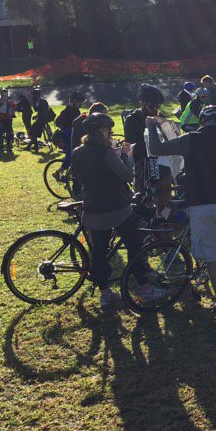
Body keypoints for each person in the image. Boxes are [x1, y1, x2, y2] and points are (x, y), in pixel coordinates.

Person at [146, 105, 216, 313]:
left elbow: (157, 149)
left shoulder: (192, 139)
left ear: (202, 121)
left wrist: (151, 127)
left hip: (200, 205)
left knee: (212, 256)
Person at [69, 113, 164, 310]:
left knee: (99, 252)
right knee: (134, 245)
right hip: (116, 206)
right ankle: (145, 288)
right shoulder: (106, 152)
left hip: (92, 207)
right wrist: (124, 155)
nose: (110, 132)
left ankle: (105, 293)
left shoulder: (77, 152)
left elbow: (76, 176)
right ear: (101, 131)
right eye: (108, 129)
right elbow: (128, 176)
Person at [123, 83, 172, 211]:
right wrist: (151, 138)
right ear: (142, 103)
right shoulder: (132, 119)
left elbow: (171, 137)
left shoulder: (160, 117)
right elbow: (132, 146)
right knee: (142, 199)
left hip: (161, 162)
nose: (155, 109)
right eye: (152, 106)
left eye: (158, 106)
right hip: (143, 163)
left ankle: (162, 218)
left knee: (165, 196)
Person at [56, 92, 84, 164]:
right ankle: (62, 169)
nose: (81, 105)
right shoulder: (65, 112)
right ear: (74, 101)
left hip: (75, 134)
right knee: (71, 152)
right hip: (69, 134)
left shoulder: (76, 111)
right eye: (80, 103)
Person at [0, 88, 17, 154]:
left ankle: (8, 145)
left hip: (8, 118)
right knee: (1, 133)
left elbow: (14, 107)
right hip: (2, 119)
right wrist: (0, 102)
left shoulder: (10, 100)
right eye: (3, 93)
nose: (4, 94)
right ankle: (2, 146)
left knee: (8, 132)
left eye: (5, 93)